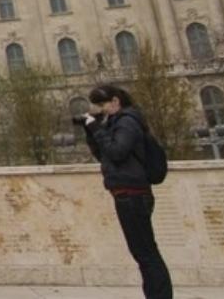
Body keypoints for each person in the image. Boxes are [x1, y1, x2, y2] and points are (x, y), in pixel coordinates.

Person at [81, 84, 172, 299]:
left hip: (133, 194)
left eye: (103, 104)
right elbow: (104, 155)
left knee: (146, 254)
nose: (101, 109)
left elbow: (118, 152)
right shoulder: (115, 123)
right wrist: (91, 132)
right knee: (142, 252)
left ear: (115, 101)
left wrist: (97, 129)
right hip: (126, 194)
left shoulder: (128, 122)